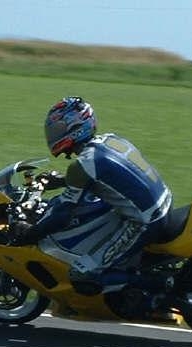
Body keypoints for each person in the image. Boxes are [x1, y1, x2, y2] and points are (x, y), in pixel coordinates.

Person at [13, 96, 173, 298]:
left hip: (146, 220)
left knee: (84, 273)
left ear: (76, 126)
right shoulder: (111, 140)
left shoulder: (83, 165)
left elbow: (63, 216)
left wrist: (31, 233)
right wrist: (63, 181)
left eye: (57, 129)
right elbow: (107, 178)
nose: (53, 135)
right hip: (162, 201)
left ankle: (161, 285)